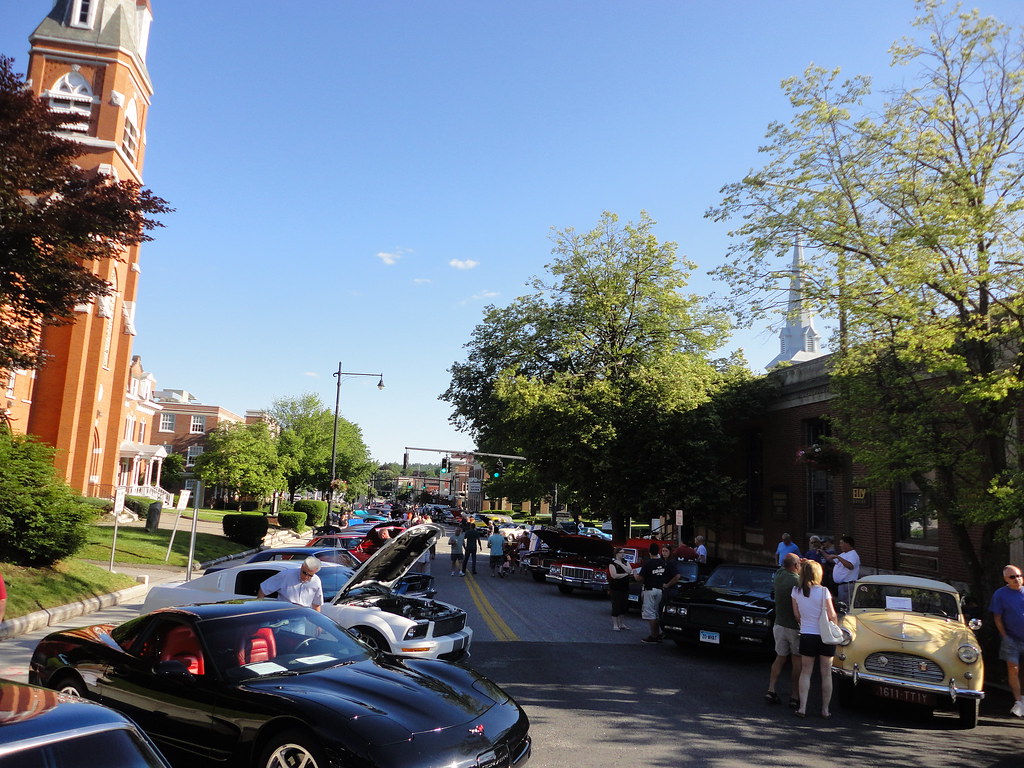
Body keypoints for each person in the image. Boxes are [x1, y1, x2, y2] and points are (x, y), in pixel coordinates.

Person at [791, 560, 837, 718]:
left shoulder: (796, 591)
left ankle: (802, 707)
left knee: (806, 672)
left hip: (807, 634)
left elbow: (797, 615)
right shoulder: (824, 591)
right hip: (824, 636)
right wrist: (835, 627)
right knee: (826, 674)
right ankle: (825, 709)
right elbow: (832, 615)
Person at [766, 552, 802, 708]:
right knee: (796, 660)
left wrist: (798, 561)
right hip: (795, 627)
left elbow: (785, 563)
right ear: (795, 566)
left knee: (779, 657)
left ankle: (771, 689)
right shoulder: (797, 581)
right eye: (799, 564)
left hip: (779, 624)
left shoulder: (779, 575)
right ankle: (795, 695)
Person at [989, 564, 1024, 717]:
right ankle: (1018, 702)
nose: (1017, 579)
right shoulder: (1000, 594)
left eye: (1018, 575)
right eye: (1012, 577)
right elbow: (997, 617)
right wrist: (1005, 636)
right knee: (1013, 669)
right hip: (1011, 639)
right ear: (1005, 579)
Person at [257, 556, 323, 612]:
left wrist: (318, 625)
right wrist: (259, 609)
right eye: (304, 573)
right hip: (283, 617)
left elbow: (316, 605)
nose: (306, 577)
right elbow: (263, 588)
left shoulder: (316, 581)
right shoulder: (286, 575)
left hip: (301, 619)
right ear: (302, 567)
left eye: (310, 575)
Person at [635, 543, 667, 644]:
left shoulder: (648, 563)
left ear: (649, 552)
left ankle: (654, 636)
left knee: (650, 614)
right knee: (656, 613)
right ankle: (657, 634)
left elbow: (640, 578)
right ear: (658, 551)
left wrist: (635, 574)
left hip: (649, 590)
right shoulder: (662, 563)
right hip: (659, 590)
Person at [825, 535, 860, 606]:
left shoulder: (853, 554)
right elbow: (830, 559)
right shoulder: (843, 554)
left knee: (846, 606)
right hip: (841, 586)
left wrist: (838, 557)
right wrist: (821, 552)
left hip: (847, 585)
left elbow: (850, 566)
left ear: (847, 544)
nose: (840, 545)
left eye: (841, 543)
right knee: (841, 606)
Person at [608, 548, 633, 630]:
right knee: (616, 605)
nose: (623, 554)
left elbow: (629, 571)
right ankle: (615, 624)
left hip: (625, 587)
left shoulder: (625, 562)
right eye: (621, 552)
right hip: (616, 588)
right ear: (617, 553)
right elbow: (614, 575)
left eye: (623, 552)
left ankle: (621, 623)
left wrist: (621, 564)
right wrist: (625, 574)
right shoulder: (612, 563)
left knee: (624, 605)